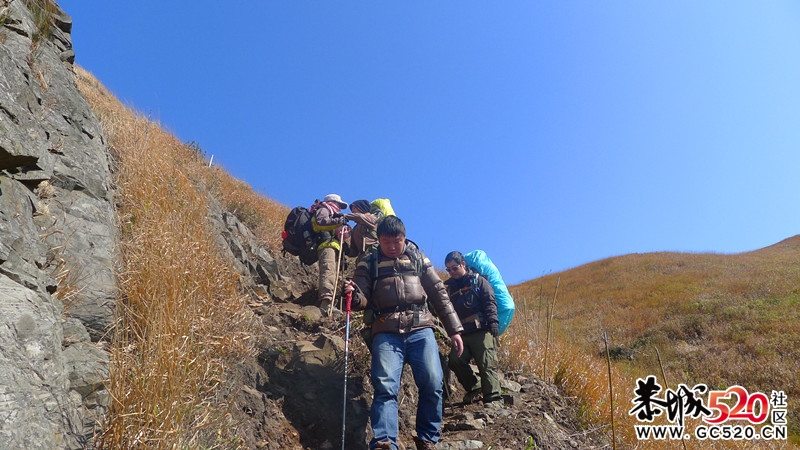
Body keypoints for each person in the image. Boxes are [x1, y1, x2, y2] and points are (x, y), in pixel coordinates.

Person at [344, 216, 464, 450]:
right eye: (386, 241)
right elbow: (361, 298)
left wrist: (455, 330)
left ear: (404, 237)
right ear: (378, 240)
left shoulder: (418, 258)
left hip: (421, 328)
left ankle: (427, 438)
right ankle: (384, 441)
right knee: (385, 386)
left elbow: (439, 293)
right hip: (385, 330)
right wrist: (352, 293)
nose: (391, 246)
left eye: (397, 241)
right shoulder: (368, 262)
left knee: (432, 382)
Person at [443, 251, 502, 407]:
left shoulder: (479, 281)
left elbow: (489, 301)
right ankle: (475, 388)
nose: (452, 272)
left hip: (481, 330)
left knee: (486, 363)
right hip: (462, 334)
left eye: (454, 268)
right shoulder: (449, 289)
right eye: (448, 270)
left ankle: (493, 399)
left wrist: (493, 323)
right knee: (455, 361)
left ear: (463, 264)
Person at [310, 194, 350, 313]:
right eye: (338, 204)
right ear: (332, 201)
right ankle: (325, 304)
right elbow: (321, 222)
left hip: (333, 246)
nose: (339, 207)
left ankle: (330, 302)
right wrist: (340, 221)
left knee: (332, 273)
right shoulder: (324, 209)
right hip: (326, 245)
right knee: (328, 271)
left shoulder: (332, 212)